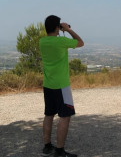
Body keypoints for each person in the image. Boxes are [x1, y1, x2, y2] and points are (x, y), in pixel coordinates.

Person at [39, 15, 84, 157]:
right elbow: (80, 42)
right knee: (65, 116)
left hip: (48, 85)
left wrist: (60, 28)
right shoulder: (61, 42)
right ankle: (59, 150)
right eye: (59, 27)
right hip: (62, 86)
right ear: (57, 27)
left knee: (49, 114)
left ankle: (47, 146)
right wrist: (69, 29)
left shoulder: (42, 41)